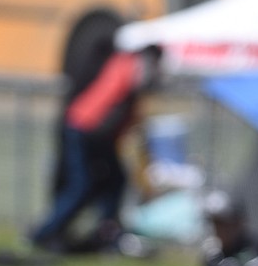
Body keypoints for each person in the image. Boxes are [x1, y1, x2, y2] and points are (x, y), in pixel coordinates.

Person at [27, 44, 164, 254]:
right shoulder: (129, 67)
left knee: (116, 180)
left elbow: (128, 119)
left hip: (98, 135)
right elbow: (109, 107)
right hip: (83, 129)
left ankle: (106, 231)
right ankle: (44, 233)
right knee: (81, 186)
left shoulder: (129, 71)